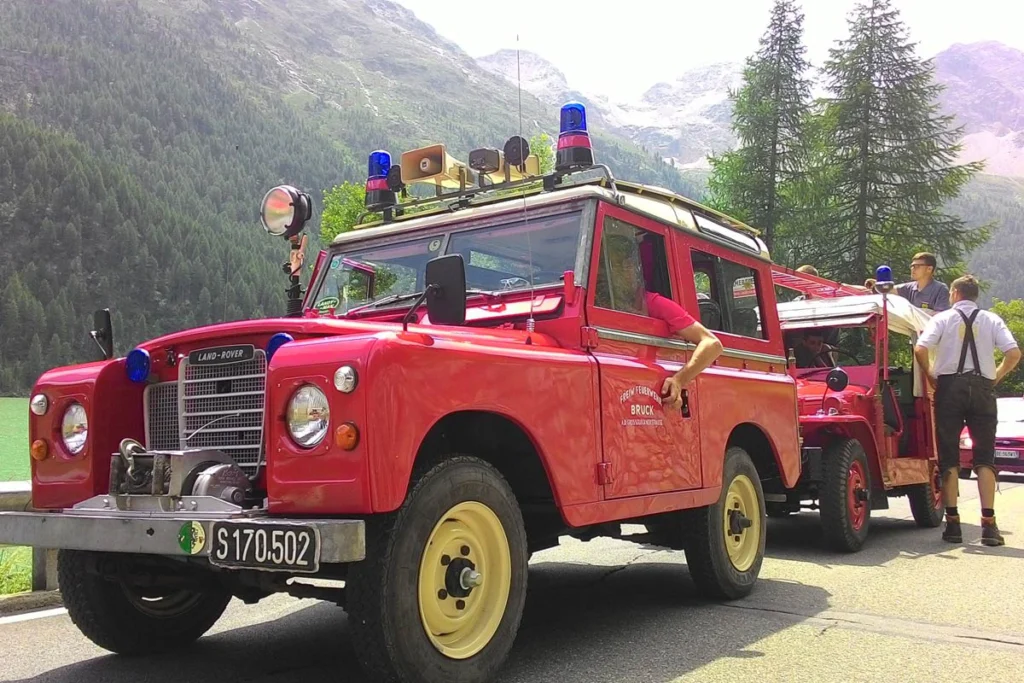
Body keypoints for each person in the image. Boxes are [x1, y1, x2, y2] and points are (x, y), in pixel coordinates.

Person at [913, 275, 1021, 545]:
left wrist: (929, 375)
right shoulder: (992, 319)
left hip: (949, 388)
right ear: (974, 295)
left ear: (955, 293)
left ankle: (952, 525)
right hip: (982, 388)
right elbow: (1014, 353)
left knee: (949, 456)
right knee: (985, 458)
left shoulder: (942, 319)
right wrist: (995, 377)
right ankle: (989, 525)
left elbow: (921, 348)